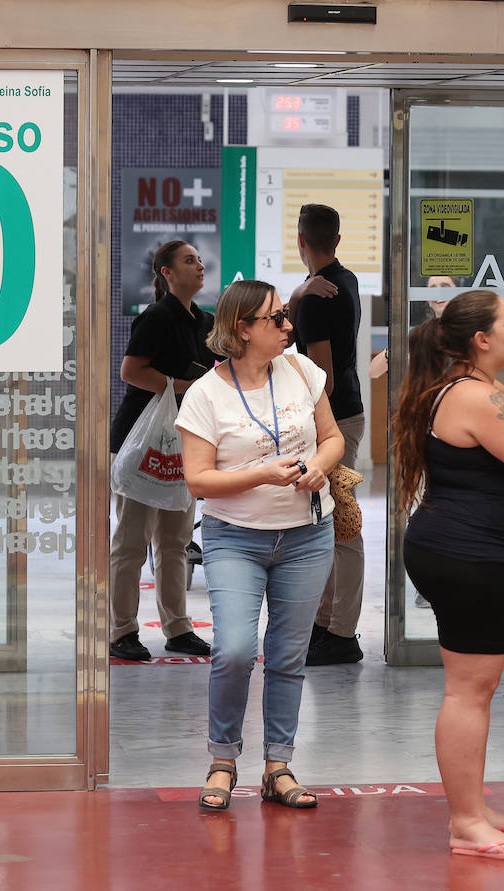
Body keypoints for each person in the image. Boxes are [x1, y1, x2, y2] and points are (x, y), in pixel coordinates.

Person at [392, 290, 504, 861]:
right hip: (471, 559)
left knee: (478, 691)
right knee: (468, 692)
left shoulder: (484, 391)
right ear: (481, 340)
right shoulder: (475, 397)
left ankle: (475, 807)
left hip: (477, 557)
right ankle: (466, 822)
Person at [176, 279, 343, 811]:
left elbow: (333, 437)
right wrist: (261, 475)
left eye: (286, 315)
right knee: (233, 651)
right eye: (277, 318)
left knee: (289, 655)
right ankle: (223, 760)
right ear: (242, 328)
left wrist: (318, 466)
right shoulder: (206, 394)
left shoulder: (300, 372)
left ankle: (278, 766)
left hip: (308, 536)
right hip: (234, 540)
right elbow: (198, 481)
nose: (288, 326)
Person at [107, 240, 218, 662]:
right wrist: (182, 387)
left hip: (181, 443)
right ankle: (122, 630)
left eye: (199, 259)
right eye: (189, 260)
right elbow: (131, 371)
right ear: (167, 273)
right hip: (141, 443)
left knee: (175, 541)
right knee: (132, 542)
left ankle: (177, 628)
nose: (199, 265)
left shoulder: (203, 322)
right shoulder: (156, 316)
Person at [287, 204, 367, 666]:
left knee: (342, 526)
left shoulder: (317, 300)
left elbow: (324, 380)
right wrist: (299, 293)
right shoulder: (347, 280)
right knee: (331, 520)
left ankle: (341, 632)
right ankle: (326, 623)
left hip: (332, 421)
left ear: (301, 240)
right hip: (348, 414)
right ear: (336, 241)